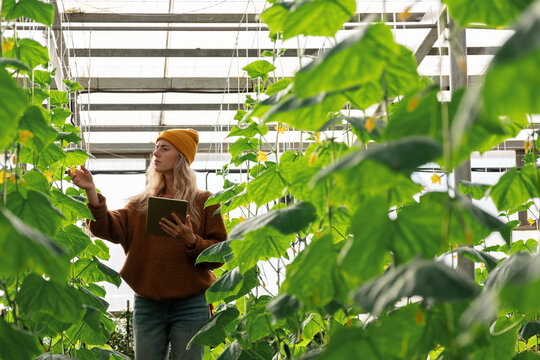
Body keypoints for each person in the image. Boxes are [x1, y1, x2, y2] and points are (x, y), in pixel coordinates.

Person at [68, 129, 227, 360]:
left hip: (192, 304)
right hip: (148, 305)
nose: (156, 153)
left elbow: (218, 255)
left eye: (165, 148)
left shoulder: (205, 202)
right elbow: (107, 227)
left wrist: (191, 240)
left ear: (181, 156)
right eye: (156, 147)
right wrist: (91, 191)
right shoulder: (141, 204)